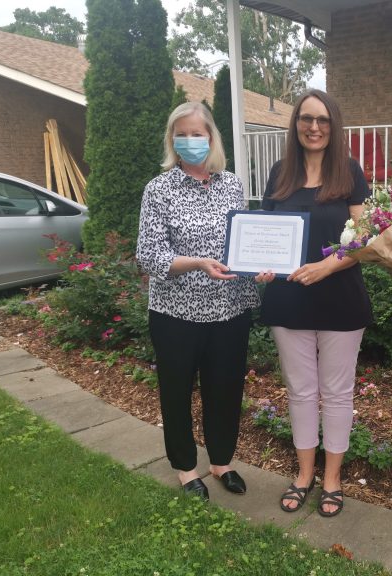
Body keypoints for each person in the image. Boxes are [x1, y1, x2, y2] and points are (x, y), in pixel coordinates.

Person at [136, 101, 266, 501]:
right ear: (172, 139)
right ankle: (186, 468)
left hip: (230, 309)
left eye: (198, 133)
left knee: (225, 390)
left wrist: (259, 266)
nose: (191, 140)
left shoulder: (231, 184)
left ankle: (222, 461)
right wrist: (195, 263)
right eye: (183, 133)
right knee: (176, 392)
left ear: (212, 138)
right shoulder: (159, 190)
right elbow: (148, 254)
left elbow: (245, 241)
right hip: (177, 313)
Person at [257, 89, 372, 518]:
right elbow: (265, 232)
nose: (314, 127)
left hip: (340, 298)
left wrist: (326, 267)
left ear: (333, 125)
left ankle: (333, 479)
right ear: (296, 125)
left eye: (322, 119)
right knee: (301, 392)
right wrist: (262, 266)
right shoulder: (280, 173)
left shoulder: (349, 173)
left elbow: (366, 239)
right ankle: (304, 474)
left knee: (338, 394)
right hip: (288, 299)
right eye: (306, 119)